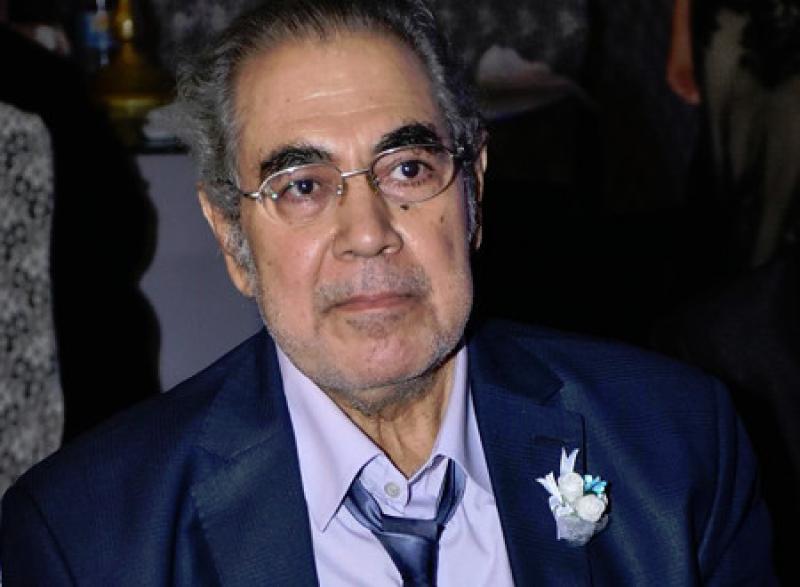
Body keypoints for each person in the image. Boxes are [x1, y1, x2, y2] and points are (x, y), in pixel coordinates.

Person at [1, 0, 776, 584]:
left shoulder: (674, 448)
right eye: (302, 185)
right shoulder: (85, 540)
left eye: (407, 169)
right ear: (232, 235)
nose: (368, 232)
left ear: (472, 190)